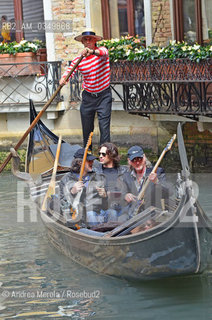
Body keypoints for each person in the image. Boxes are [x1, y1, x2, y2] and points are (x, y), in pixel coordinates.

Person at [59, 30, 112, 150]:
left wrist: (92, 52)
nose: (88, 41)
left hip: (104, 96)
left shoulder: (102, 52)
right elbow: (69, 71)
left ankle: (105, 155)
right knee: (87, 130)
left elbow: (103, 53)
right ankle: (87, 156)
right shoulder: (79, 59)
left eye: (90, 39)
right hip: (88, 97)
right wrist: (63, 79)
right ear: (82, 42)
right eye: (85, 40)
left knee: (104, 128)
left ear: (95, 41)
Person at [59, 148, 116, 228]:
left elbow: (105, 206)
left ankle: (113, 235)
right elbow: (63, 206)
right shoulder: (66, 180)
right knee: (91, 214)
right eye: (89, 160)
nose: (92, 162)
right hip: (82, 219)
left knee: (112, 212)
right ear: (80, 163)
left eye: (92, 160)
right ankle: (98, 236)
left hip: (99, 213)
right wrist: (72, 192)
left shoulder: (98, 177)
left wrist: (105, 196)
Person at [124, 145, 170, 214]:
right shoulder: (126, 176)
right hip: (133, 216)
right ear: (129, 161)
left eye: (140, 159)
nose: (137, 162)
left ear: (144, 157)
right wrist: (125, 196)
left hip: (153, 215)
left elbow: (168, 192)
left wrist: (156, 182)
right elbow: (120, 193)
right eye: (134, 160)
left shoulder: (158, 172)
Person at [94, 142, 130, 222]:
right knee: (112, 212)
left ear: (111, 155)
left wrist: (108, 194)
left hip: (122, 208)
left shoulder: (124, 171)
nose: (100, 156)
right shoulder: (96, 172)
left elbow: (129, 193)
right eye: (99, 154)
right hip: (105, 209)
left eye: (103, 154)